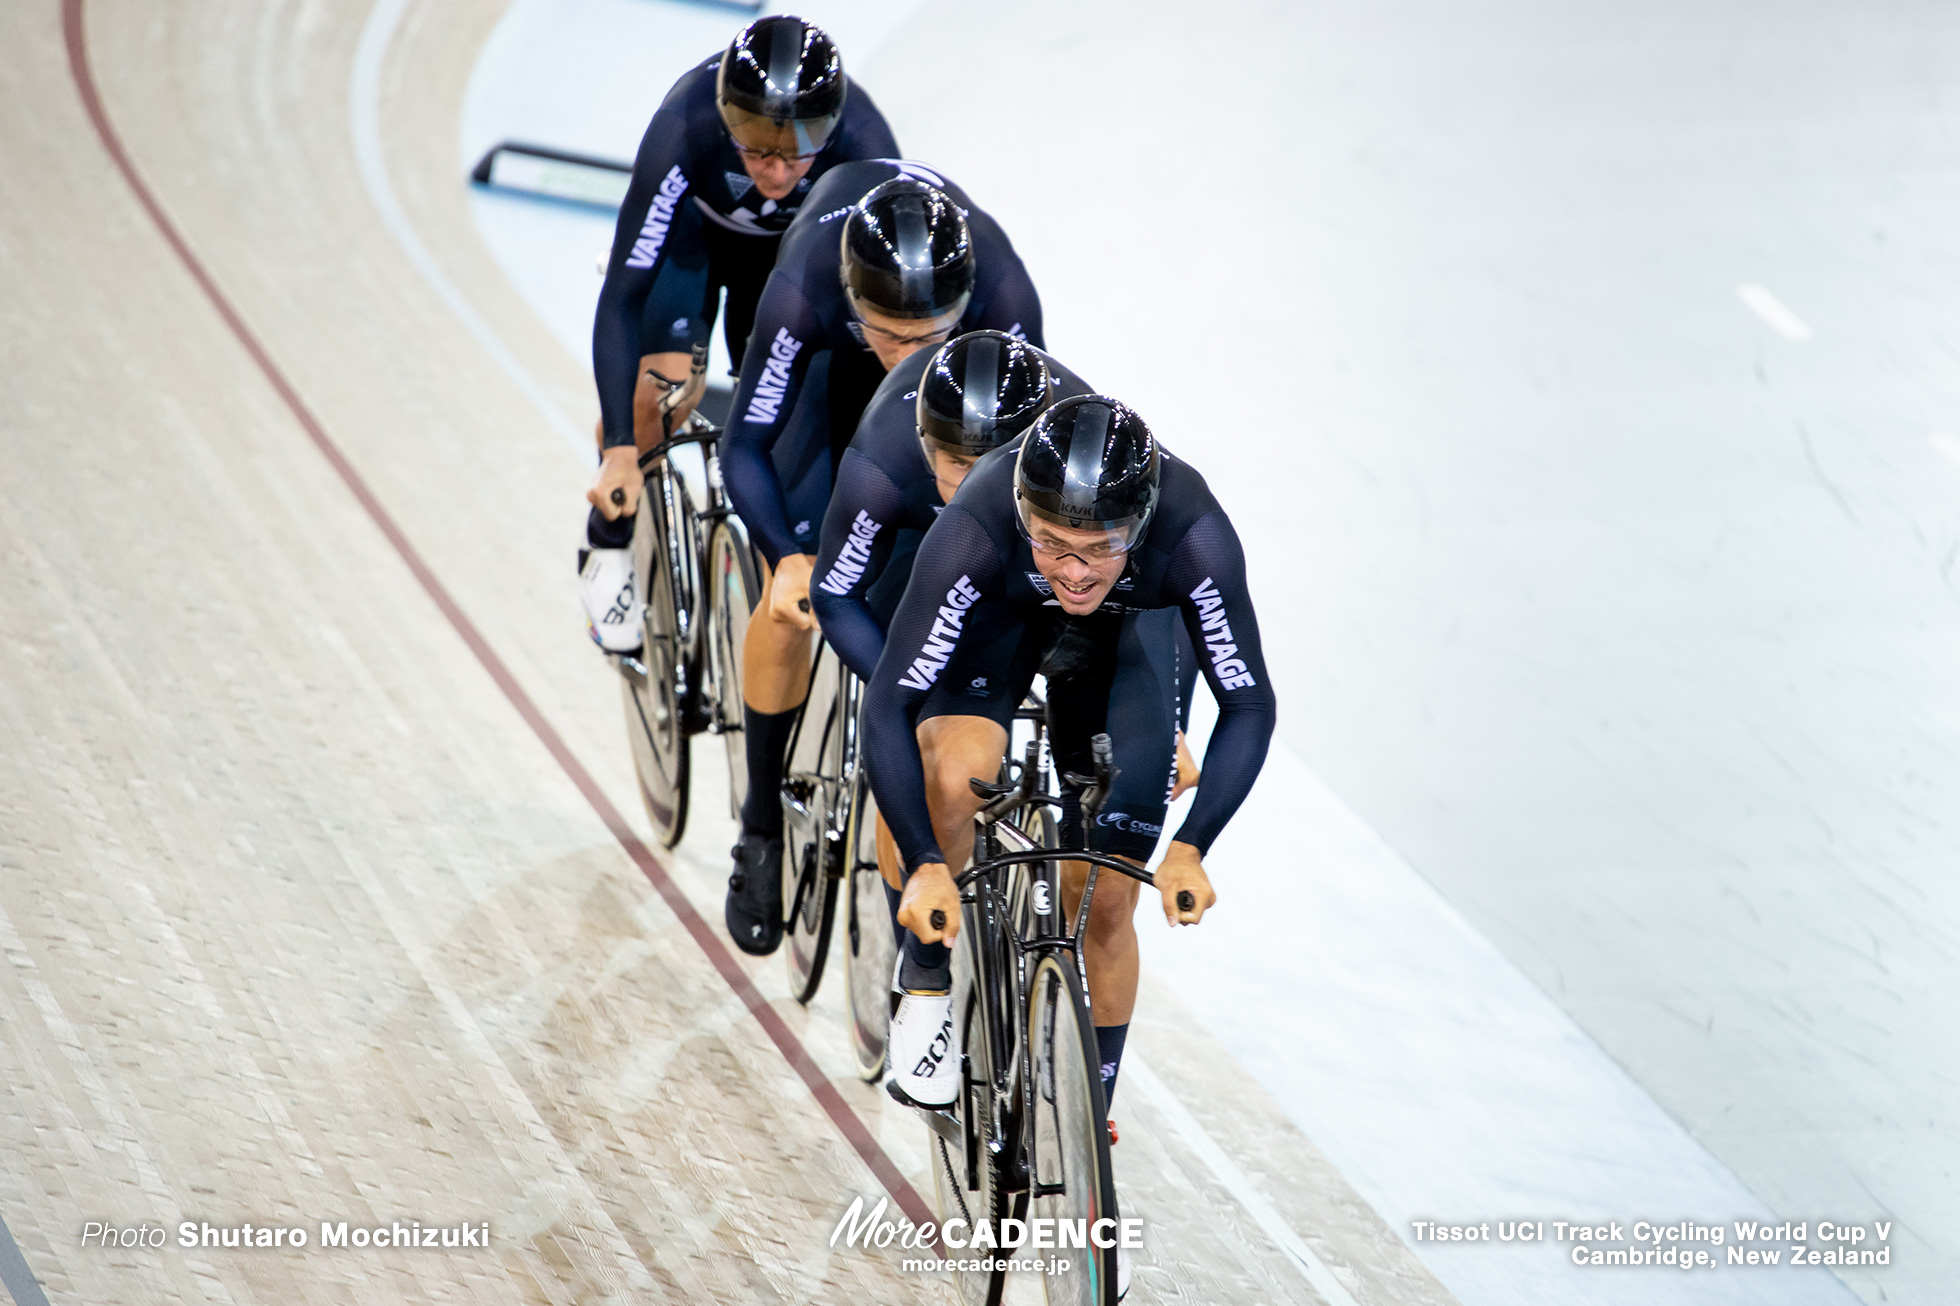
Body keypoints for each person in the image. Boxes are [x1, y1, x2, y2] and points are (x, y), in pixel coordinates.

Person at [862, 396, 1277, 1122]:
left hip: (1133, 627)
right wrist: (927, 863)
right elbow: (890, 704)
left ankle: (1090, 1112)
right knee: (955, 777)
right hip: (1004, 612)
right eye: (1052, 541)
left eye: (1099, 546)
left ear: (1141, 525)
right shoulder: (976, 528)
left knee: (1110, 896)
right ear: (1023, 513)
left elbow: (1248, 704)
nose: (1076, 571)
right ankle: (925, 974)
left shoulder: (1194, 536)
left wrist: (1190, 847)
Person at [719, 162, 1044, 955]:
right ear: (849, 300)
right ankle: (760, 826)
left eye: (929, 337)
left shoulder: (1006, 300)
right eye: (889, 334)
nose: (906, 353)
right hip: (831, 399)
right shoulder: (804, 288)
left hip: (937, 443)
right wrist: (785, 555)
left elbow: (1022, 473)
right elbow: (748, 442)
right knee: (791, 601)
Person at [578, 15, 898, 653]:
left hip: (787, 265)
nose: (776, 173)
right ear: (726, 116)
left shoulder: (865, 140)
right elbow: (623, 295)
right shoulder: (686, 123)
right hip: (690, 247)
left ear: (830, 129)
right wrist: (618, 444)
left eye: (796, 149)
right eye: (753, 145)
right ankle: (607, 539)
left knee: (788, 418)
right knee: (664, 389)